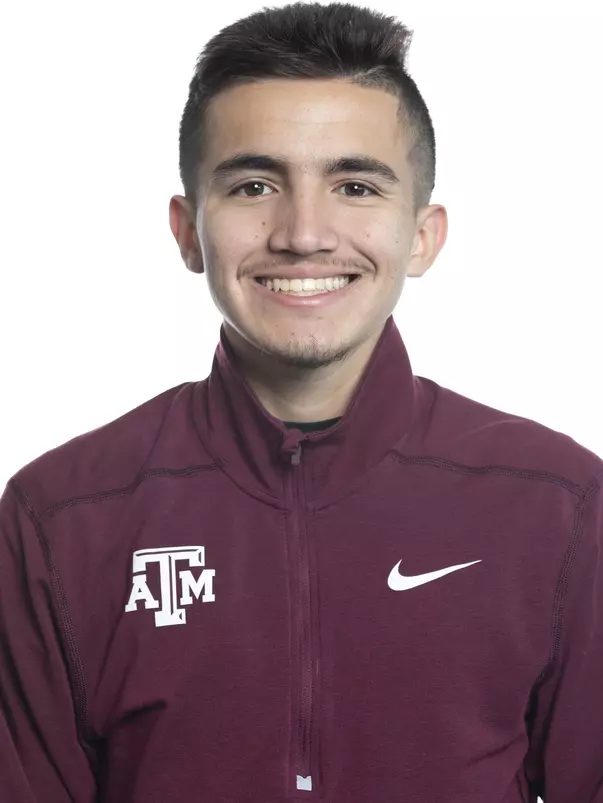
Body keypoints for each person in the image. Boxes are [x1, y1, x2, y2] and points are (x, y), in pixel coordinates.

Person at [1, 2, 602, 801]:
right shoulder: (60, 516)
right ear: (188, 231)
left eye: (354, 185)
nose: (304, 233)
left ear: (421, 234)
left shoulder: (558, 505)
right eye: (254, 184)